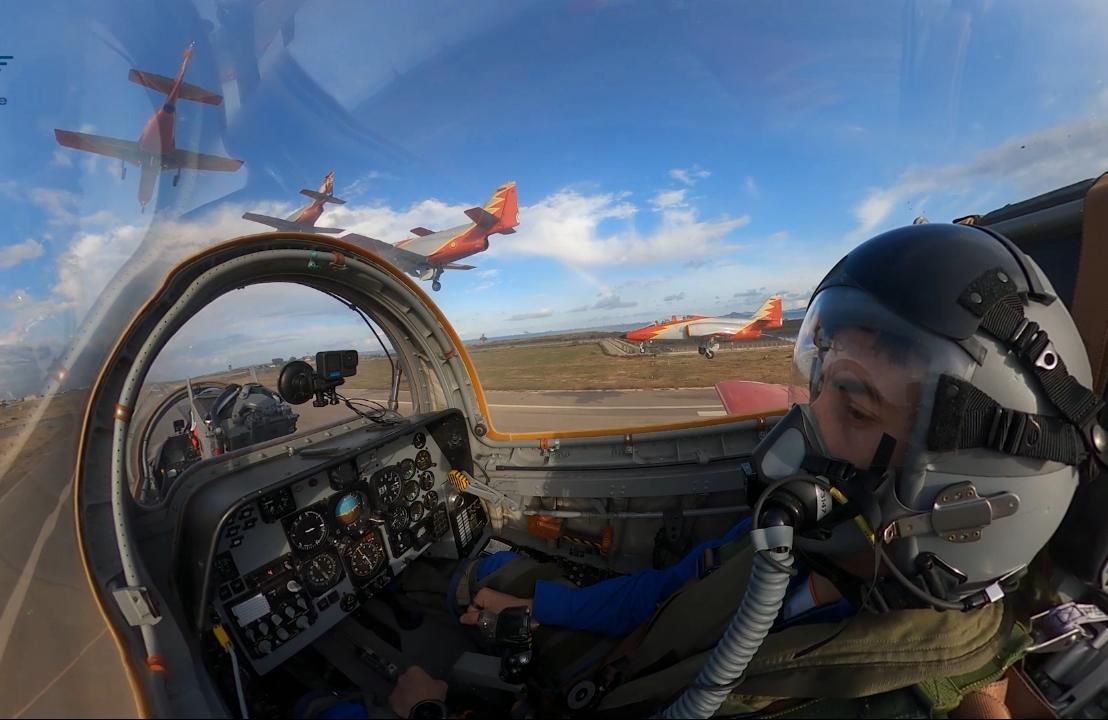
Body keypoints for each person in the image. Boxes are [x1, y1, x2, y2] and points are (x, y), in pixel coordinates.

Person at [307, 222, 1105, 718]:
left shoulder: (872, 691)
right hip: (615, 663)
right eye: (819, 385)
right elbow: (677, 587)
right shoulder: (811, 544)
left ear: (971, 502)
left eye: (857, 409)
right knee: (477, 573)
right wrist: (527, 597)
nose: (805, 432)